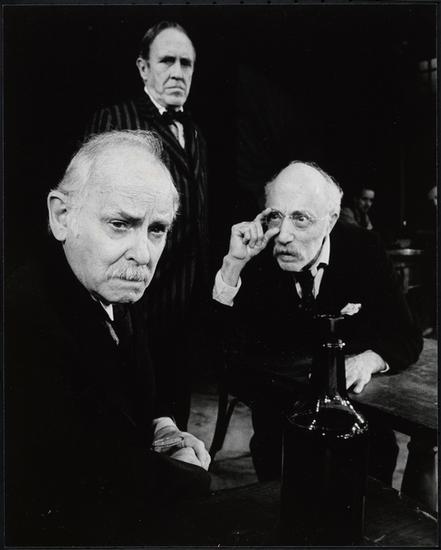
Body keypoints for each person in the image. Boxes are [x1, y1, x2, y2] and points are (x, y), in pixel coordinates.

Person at [5, 131, 210, 547]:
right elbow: (75, 487)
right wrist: (188, 474)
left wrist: (164, 428)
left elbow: (128, 400)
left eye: (157, 229)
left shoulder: (110, 284)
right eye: (120, 224)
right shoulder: (21, 321)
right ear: (61, 217)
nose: (143, 254)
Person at [213, 161, 422, 482]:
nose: (284, 236)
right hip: (281, 422)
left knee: (374, 474)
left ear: (331, 220)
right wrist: (232, 266)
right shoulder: (255, 256)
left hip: (355, 416)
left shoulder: (364, 249)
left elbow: (406, 335)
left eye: (301, 219)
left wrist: (369, 360)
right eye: (276, 216)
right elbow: (220, 351)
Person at [86, 21, 208, 429]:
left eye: (186, 63)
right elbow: (99, 211)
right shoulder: (116, 119)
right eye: (166, 61)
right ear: (143, 68)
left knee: (176, 426)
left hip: (183, 309)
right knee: (134, 425)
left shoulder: (195, 133)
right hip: (134, 304)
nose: (177, 72)